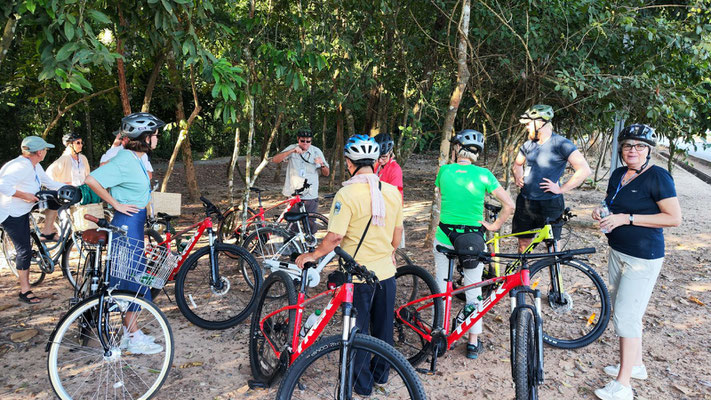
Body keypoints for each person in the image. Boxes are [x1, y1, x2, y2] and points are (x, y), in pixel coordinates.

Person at [295, 134, 403, 396]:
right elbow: (397, 235)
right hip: (386, 274)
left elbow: (334, 237)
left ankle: (362, 386)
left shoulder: (346, 193)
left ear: (349, 163)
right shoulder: (391, 192)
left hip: (358, 276)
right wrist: (389, 252)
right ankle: (382, 375)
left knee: (358, 331)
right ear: (377, 162)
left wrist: (313, 255)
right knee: (384, 327)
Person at [591, 124, 681, 400]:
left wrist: (626, 218)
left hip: (643, 256)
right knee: (629, 313)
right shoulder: (619, 174)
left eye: (640, 146)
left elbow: (673, 218)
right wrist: (602, 211)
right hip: (618, 250)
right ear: (621, 149)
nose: (633, 150)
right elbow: (612, 202)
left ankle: (624, 385)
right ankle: (636, 365)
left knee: (625, 317)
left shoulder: (659, 177)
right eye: (629, 145)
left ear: (649, 151)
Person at [84, 112, 165, 355]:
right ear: (145, 137)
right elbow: (91, 179)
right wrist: (115, 204)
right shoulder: (125, 159)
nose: (157, 139)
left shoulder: (137, 159)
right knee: (131, 278)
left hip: (136, 221)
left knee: (135, 277)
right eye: (155, 135)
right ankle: (132, 336)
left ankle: (133, 333)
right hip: (127, 222)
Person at [433, 129, 514, 359]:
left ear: (457, 148)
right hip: (474, 238)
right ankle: (472, 341)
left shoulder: (445, 171)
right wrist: (496, 224)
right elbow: (509, 204)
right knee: (473, 286)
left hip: (445, 235)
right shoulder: (484, 175)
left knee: (441, 286)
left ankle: (438, 332)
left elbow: (440, 193)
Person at [511, 104, 591, 252]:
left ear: (541, 123)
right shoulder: (528, 144)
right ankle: (523, 275)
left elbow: (584, 170)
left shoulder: (561, 144)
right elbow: (517, 164)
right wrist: (518, 176)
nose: (527, 127)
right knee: (523, 243)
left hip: (550, 203)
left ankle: (555, 275)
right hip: (526, 201)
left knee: (552, 245)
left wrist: (561, 189)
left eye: (529, 124)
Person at [0, 136, 64, 304]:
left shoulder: (35, 166)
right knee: (24, 250)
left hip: (27, 205)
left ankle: (47, 231)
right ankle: (25, 290)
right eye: (45, 150)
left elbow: (49, 183)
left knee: (55, 199)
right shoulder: (19, 166)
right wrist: (24, 195)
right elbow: (2, 185)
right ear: (40, 152)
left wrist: (70, 188)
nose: (46, 152)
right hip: (12, 212)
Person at [271, 129, 330, 223]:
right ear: (298, 139)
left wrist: (322, 164)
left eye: (308, 141)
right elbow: (275, 160)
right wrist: (291, 151)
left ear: (311, 141)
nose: (305, 143)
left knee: (310, 224)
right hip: (294, 194)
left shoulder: (316, 151)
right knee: (293, 226)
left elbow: (326, 173)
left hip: (310, 194)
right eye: (302, 141)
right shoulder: (292, 148)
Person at [41, 132, 91, 241]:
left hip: (81, 193)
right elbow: (49, 174)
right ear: (70, 145)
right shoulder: (64, 159)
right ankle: (62, 242)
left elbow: (87, 175)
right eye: (78, 143)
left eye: (81, 142)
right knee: (66, 220)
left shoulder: (83, 158)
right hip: (69, 194)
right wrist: (63, 184)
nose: (81, 145)